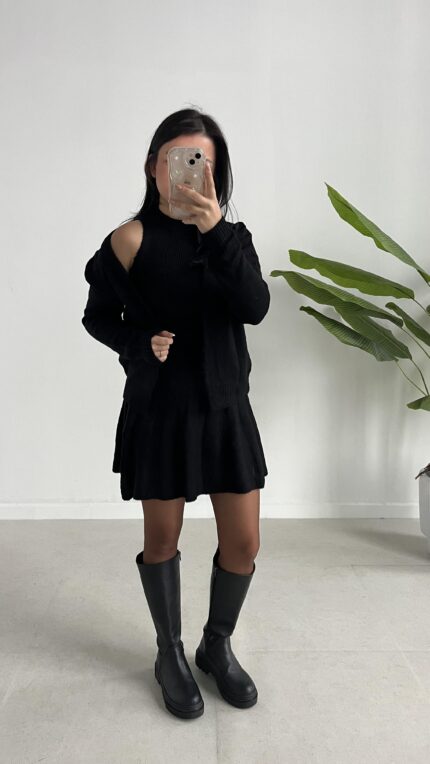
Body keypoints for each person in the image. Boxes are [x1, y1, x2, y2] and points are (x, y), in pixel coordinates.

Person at [81, 107, 270, 720]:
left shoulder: (233, 239)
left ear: (216, 172)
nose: (189, 171)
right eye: (178, 159)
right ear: (153, 166)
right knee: (162, 539)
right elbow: (97, 317)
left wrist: (214, 229)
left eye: (202, 162)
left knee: (244, 542)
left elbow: (255, 306)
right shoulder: (129, 240)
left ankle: (216, 644)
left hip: (226, 407)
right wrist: (140, 344)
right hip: (161, 411)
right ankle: (169, 652)